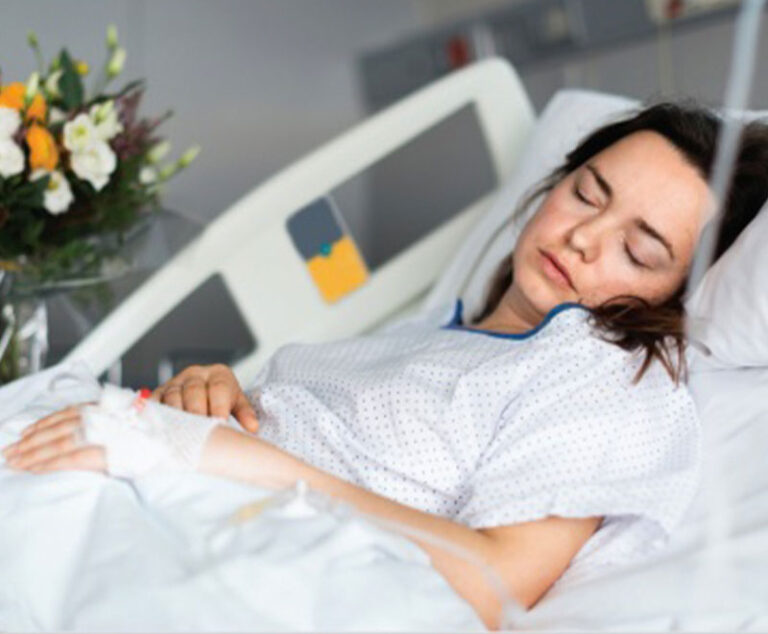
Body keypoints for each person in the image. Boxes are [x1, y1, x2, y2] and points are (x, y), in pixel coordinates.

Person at [4, 102, 768, 630]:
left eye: (640, 251)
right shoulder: (429, 333)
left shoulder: (605, 374)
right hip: (162, 485)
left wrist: (231, 459)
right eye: (586, 194)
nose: (583, 239)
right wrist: (210, 402)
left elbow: (494, 583)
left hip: (249, 552)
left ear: (678, 293)